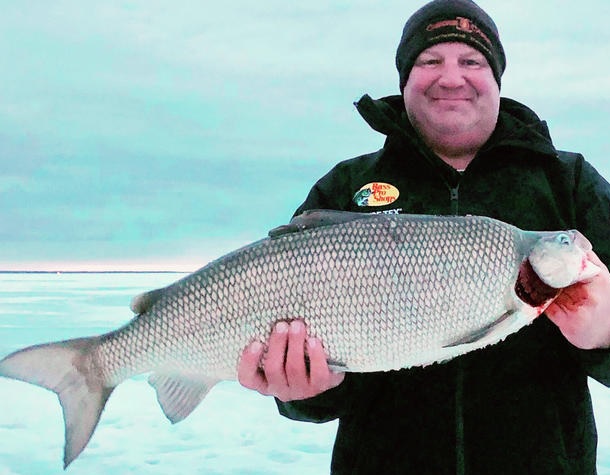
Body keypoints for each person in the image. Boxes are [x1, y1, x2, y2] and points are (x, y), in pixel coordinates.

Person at [238, 0, 610, 473]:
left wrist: (605, 335)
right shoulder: (343, 189)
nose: (451, 78)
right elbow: (309, 392)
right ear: (405, 80)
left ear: (496, 79)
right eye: (430, 61)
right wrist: (301, 392)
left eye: (472, 61)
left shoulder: (569, 182)